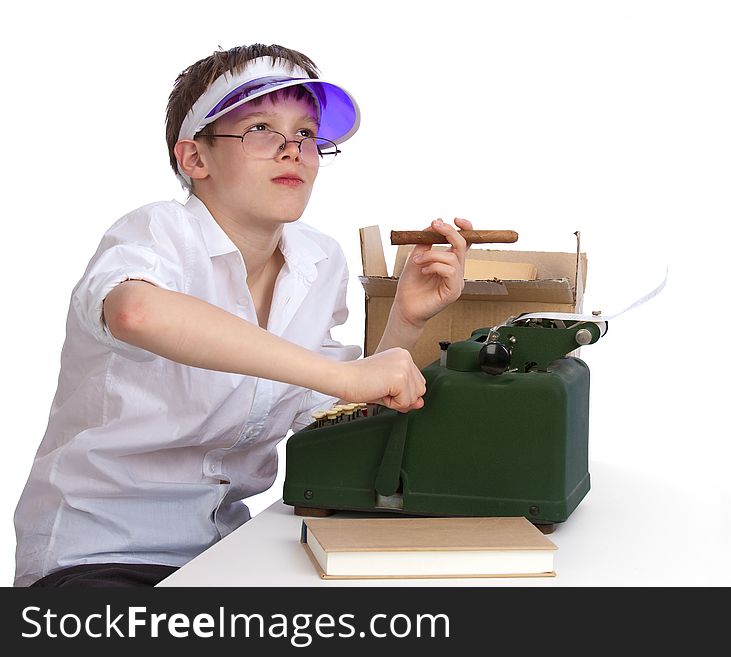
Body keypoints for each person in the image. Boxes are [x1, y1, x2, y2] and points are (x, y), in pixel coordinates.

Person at [14, 43, 472, 587]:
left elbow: (329, 413)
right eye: (260, 128)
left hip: (231, 550)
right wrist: (344, 373)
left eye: (306, 134)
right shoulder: (157, 233)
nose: (292, 151)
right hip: (101, 554)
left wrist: (407, 319)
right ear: (195, 159)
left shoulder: (318, 261)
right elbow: (136, 311)